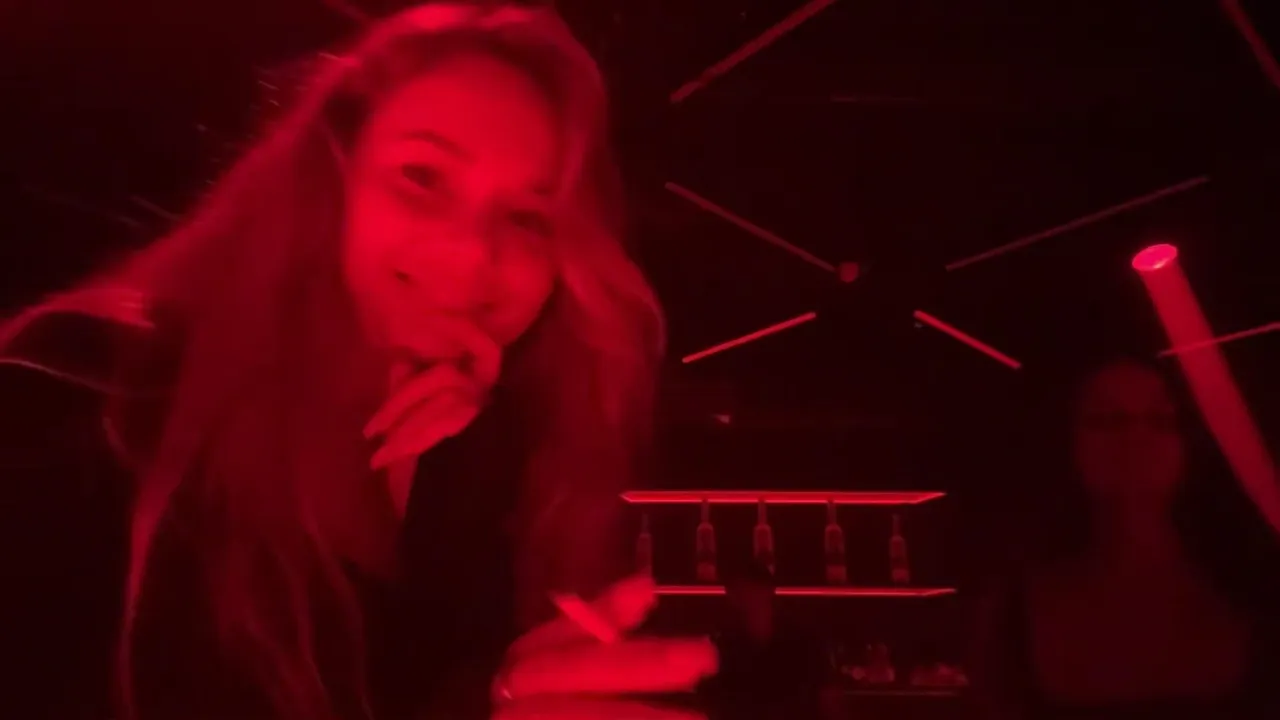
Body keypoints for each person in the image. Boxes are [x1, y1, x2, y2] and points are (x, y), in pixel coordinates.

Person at [0, 4, 717, 719]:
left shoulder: (486, 464)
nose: (473, 253)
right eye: (423, 177)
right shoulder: (90, 389)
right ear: (332, 173)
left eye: (527, 216)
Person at [971, 358, 1280, 719]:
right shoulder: (1015, 610)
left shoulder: (1254, 592)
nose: (1136, 437)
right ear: (1066, 439)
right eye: (1107, 420)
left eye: (1160, 419)